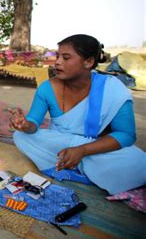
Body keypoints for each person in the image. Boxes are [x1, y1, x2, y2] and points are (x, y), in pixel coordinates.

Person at [10, 34, 145, 195]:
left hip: (94, 146)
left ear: (88, 62)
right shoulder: (47, 88)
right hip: (60, 144)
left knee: (140, 162)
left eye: (66, 58)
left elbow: (126, 135)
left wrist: (82, 150)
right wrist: (26, 125)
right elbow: (33, 123)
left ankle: (75, 163)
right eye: (57, 56)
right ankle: (80, 165)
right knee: (21, 137)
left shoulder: (113, 89)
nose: (58, 62)